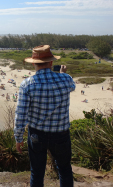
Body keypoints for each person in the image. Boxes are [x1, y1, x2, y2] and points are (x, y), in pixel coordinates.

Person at [14, 45, 75, 187]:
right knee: (65, 169)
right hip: (61, 133)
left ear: (34, 63)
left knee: (37, 172)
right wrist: (63, 73)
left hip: (37, 135)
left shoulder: (27, 84)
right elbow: (72, 85)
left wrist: (18, 137)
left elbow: (21, 114)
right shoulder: (65, 79)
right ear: (51, 62)